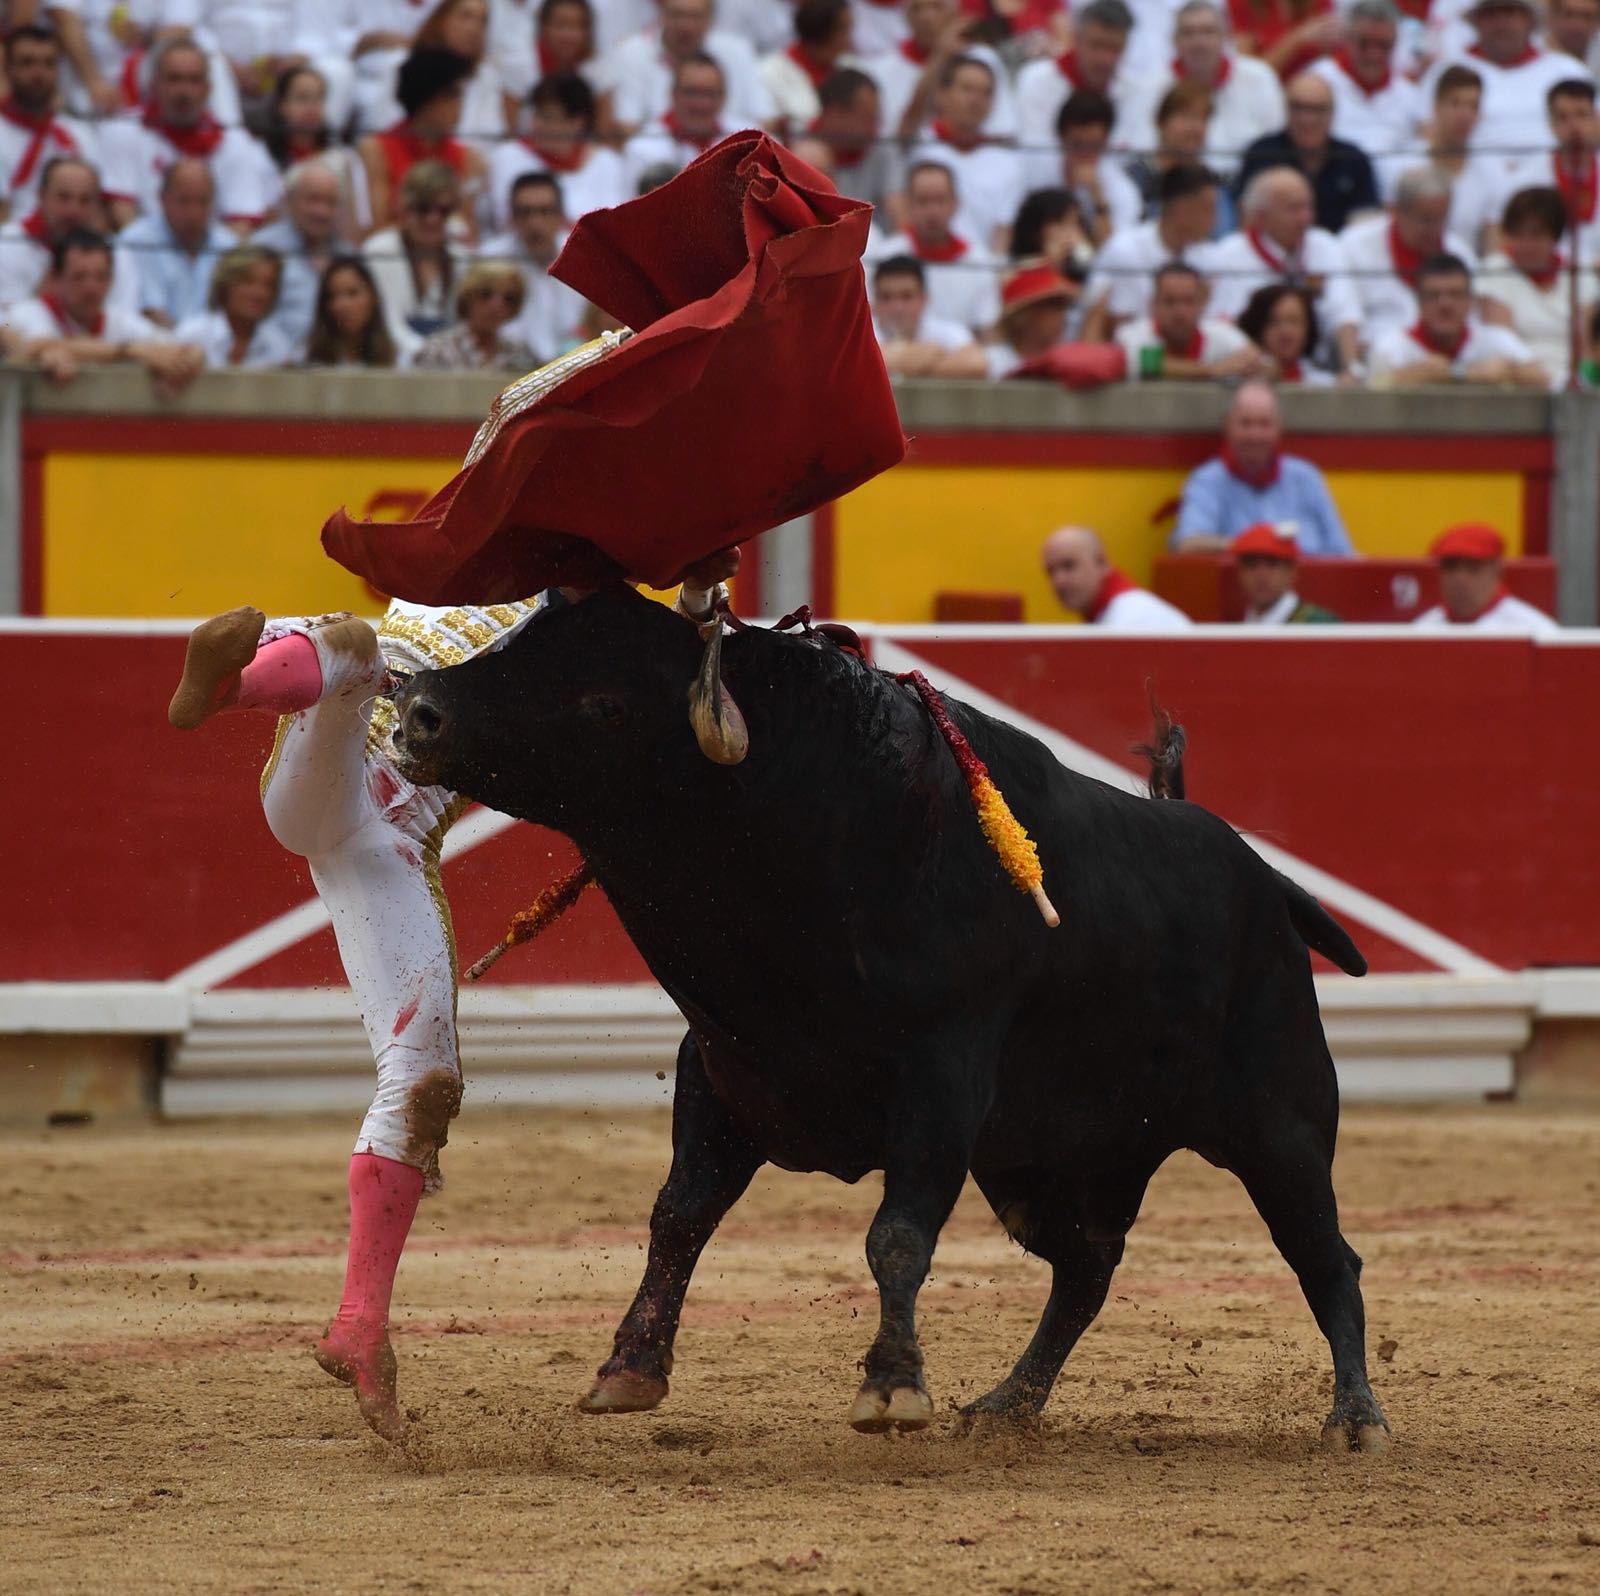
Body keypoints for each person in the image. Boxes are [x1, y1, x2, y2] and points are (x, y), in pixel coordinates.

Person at [162, 351, 740, 1443]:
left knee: (423, 1081)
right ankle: (238, 682)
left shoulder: (530, 595)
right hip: (354, 787)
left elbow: (688, 632)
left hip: (361, 831)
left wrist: (704, 582)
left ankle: (358, 1325)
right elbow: (521, 435)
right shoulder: (501, 580)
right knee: (359, 656)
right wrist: (627, 356)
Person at [98, 36, 281, 233]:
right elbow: (122, 212)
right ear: (154, 85)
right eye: (174, 79)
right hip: (142, 254)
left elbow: (241, 223)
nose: (184, 91)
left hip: (211, 256)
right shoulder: (124, 130)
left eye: (194, 80)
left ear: (208, 89)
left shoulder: (234, 143)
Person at [1, 226, 204, 395]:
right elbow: (38, 346)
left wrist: (190, 358)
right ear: (56, 278)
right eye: (79, 276)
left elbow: (183, 349)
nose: (91, 288)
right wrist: (131, 352)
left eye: (101, 277)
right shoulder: (28, 312)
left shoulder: (118, 320)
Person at [1202, 165, 1360, 372]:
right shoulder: (1228, 255)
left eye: (1309, 207)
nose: (1305, 218)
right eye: (1294, 209)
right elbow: (1220, 325)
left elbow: (1344, 313)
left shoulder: (1325, 245)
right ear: (1261, 216)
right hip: (1249, 370)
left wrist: (1352, 368)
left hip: (1314, 369)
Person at [1173, 378, 1352, 552]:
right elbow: (1189, 544)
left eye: (1264, 424)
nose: (1255, 436)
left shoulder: (1307, 478)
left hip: (1312, 583)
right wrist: (1256, 547)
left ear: (1279, 426)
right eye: (1246, 423)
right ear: (1227, 425)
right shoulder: (1208, 481)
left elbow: (1344, 555)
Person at [1122, 2, 1286, 177]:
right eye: (1188, 33)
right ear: (1174, 40)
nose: (1199, 42)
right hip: (1171, 187)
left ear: (1225, 37)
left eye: (1208, 32)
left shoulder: (1259, 78)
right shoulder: (1149, 87)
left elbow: (1279, 144)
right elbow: (1135, 149)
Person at [1422, 0, 1593, 165]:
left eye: (1510, 13)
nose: (1501, 23)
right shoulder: (1446, 69)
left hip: (1553, 183)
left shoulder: (1569, 71)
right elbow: (1426, 131)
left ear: (1530, 21)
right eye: (1492, 14)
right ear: (1476, 21)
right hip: (1470, 182)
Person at [1340, 166, 1477, 350]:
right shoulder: (1353, 246)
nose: (1435, 230)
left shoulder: (1461, 253)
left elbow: (1473, 322)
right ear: (1396, 210)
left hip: (1447, 363)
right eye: (1426, 219)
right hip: (1377, 364)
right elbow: (1345, 315)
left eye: (1442, 219)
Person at [358, 48, 487, 242]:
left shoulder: (469, 158)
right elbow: (378, 227)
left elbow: (468, 234)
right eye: (452, 95)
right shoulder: (376, 149)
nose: (460, 105)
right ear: (426, 97)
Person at [1080, 162, 1219, 337]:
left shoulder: (1208, 256)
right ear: (1182, 210)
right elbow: (1119, 332)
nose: (1216, 220)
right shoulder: (1125, 251)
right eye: (1209, 210)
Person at [1233, 68, 1379, 234]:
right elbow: (1247, 221)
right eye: (1298, 108)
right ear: (1285, 109)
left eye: (1317, 109)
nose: (1307, 119)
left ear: (1332, 113)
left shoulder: (1354, 159)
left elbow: (1367, 226)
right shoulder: (1261, 154)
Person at [1368, 250, 1546, 385]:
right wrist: (1462, 373)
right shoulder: (1393, 344)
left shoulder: (1495, 339)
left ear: (1470, 300)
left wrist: (1510, 372)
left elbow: (1541, 378)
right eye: (1433, 295)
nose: (1445, 305)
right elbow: (1374, 385)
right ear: (1419, 302)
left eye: (1455, 294)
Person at [1479, 185, 1598, 385]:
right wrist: (1541, 378)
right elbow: (1503, 342)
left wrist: (1575, 381)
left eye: (1537, 235)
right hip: (1520, 378)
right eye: (1518, 234)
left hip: (1573, 380)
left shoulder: (1579, 272)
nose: (1527, 244)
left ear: (1555, 236)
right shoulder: (1494, 270)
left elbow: (1586, 344)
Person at [600, 0, 774, 135]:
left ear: (710, 19)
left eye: (695, 16)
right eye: (678, 15)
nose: (686, 25)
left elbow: (766, 120)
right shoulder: (631, 52)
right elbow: (626, 126)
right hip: (657, 165)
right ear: (661, 15)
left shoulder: (739, 51)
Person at [1382, 65, 1504, 255]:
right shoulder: (1402, 165)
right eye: (1455, 103)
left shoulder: (1492, 171)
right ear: (1436, 107)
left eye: (1473, 106)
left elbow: (1493, 247)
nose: (1464, 115)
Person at [908, 55, 1024, 251]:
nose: (976, 99)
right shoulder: (914, 144)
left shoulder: (1007, 163)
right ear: (942, 94)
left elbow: (1002, 235)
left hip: (977, 271)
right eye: (967, 89)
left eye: (985, 93)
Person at [489, 70, 627, 233]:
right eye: (537, 115)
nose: (537, 125)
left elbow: (621, 223)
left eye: (548, 118)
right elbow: (505, 220)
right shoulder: (508, 156)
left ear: (577, 123)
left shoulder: (609, 163)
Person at [862, 0, 1016, 146]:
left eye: (937, 6)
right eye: (916, 9)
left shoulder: (983, 58)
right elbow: (898, 139)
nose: (926, 17)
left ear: (955, 14)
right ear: (907, 18)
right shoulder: (882, 70)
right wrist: (939, 56)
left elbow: (1001, 131)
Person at [872, 160, 999, 335]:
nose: (933, 210)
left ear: (956, 203)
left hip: (960, 356)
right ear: (908, 203)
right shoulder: (886, 254)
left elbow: (986, 331)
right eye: (923, 201)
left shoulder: (978, 260)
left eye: (940, 200)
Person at [0, 153, 138, 312]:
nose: (73, 211)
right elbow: (5, 323)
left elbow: (124, 317)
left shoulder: (117, 252)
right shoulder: (7, 243)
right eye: (63, 198)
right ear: (41, 196)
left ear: (98, 204)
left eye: (85, 200)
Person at [476, 170, 585, 362]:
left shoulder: (581, 257)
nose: (535, 223)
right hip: (508, 369)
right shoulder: (490, 260)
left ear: (560, 216)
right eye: (525, 213)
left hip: (572, 364)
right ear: (512, 217)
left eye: (544, 211)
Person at [114, 157, 235, 329]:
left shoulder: (227, 245)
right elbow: (151, 312)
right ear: (162, 199)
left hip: (217, 348)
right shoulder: (136, 242)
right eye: (184, 201)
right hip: (157, 346)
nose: (193, 213)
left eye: (202, 202)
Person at [362, 160, 471, 344]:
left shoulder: (461, 259)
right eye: (423, 209)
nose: (432, 219)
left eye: (443, 211)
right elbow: (388, 325)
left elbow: (463, 325)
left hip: (448, 364)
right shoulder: (379, 251)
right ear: (405, 208)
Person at [0, 25, 99, 223]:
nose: (39, 73)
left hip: (70, 244)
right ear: (8, 69)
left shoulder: (78, 133)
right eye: (27, 63)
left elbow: (94, 211)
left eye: (49, 63)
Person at [1307, 0, 1423, 163]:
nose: (1373, 55)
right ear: (1348, 39)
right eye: (1365, 43)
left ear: (1395, 42)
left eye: (1383, 45)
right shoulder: (1318, 81)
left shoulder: (1410, 95)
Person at [251, 157, 351, 346]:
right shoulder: (262, 249)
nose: (321, 211)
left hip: (333, 365)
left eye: (330, 202)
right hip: (272, 363)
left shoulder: (348, 257)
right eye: (313, 199)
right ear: (290, 200)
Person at [261, 65, 368, 238]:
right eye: (302, 98)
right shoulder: (260, 156)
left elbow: (354, 228)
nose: (312, 107)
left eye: (319, 99)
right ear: (281, 105)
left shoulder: (343, 160)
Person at [1014, 0, 1132, 155]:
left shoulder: (1131, 91)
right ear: (1076, 39)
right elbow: (1035, 156)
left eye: (1114, 49)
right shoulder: (1036, 81)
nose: (1104, 59)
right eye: (1097, 45)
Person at [1124, 81, 1239, 237]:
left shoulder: (1214, 182)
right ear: (1161, 123)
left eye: (1202, 119)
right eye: (1185, 117)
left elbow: (1224, 239)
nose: (1195, 128)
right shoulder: (1134, 178)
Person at [1114, 260, 1260, 379]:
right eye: (1169, 302)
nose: (1180, 312)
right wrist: (1214, 370)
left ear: (1202, 303)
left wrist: (1250, 364)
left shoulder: (1221, 333)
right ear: (1153, 304)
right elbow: (1143, 365)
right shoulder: (1131, 334)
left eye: (1188, 301)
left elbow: (1260, 363)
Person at [1035, 90, 1142, 245]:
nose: (1084, 155)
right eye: (1077, 145)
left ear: (1105, 142)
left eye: (1093, 146)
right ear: (1062, 137)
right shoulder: (1038, 173)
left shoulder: (1123, 191)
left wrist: (1097, 197)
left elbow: (1112, 253)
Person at [1412, 522, 1558, 632]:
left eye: (1473, 568)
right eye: (1450, 567)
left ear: (1497, 572)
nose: (1459, 579)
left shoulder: (1533, 630)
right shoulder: (1423, 629)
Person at [790, 68, 897, 215]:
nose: (875, 127)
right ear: (836, 114)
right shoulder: (793, 146)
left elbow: (898, 214)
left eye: (876, 118)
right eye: (867, 118)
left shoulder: (882, 151)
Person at [1042, 524, 1193, 628]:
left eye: (1069, 566)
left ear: (1101, 563)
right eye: (1051, 572)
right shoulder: (1117, 613)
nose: (1058, 581)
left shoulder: (1130, 619)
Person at [620, 52, 733, 190]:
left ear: (724, 96)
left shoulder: (742, 141)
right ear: (672, 93)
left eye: (710, 94)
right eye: (691, 92)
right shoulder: (642, 148)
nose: (700, 104)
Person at [174, 242, 299, 367]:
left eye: (269, 285)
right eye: (248, 282)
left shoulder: (278, 347)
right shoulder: (192, 335)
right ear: (226, 285)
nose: (259, 293)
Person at [870, 252, 987, 376]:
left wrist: (897, 361)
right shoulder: (865, 332)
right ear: (874, 301)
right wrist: (935, 353)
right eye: (886, 297)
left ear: (924, 299)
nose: (897, 307)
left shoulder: (947, 330)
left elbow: (977, 363)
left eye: (907, 296)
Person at [413, 258, 541, 369]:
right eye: (486, 294)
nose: (496, 305)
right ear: (467, 296)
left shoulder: (520, 353)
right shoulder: (438, 350)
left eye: (509, 298)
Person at [759, 0, 856, 138]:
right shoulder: (769, 72)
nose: (850, 39)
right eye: (843, 29)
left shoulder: (853, 67)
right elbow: (770, 128)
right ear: (821, 30)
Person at [304, 256, 416, 367]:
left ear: (373, 298)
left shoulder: (400, 359)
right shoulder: (306, 358)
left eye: (352, 293)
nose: (342, 305)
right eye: (332, 296)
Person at [1232, 521, 1339, 622]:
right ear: (1239, 573)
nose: (1261, 575)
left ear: (1291, 571)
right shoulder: (1235, 628)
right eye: (1251, 565)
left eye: (1271, 564)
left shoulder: (1319, 625)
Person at [986, 261, 1078, 377]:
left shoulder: (1069, 365)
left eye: (1065, 306)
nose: (1064, 315)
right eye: (1054, 305)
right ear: (1024, 314)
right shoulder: (990, 364)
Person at [1237, 281, 1331, 382]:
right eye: (1273, 322)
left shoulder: (1323, 383)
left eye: (1294, 321)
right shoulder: (1234, 378)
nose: (1286, 331)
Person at [1228, 0, 1340, 82]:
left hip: (1308, 94)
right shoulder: (1241, 3)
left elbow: (1329, 64)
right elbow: (1249, 75)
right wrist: (1298, 38)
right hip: (1265, 92)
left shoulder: (1318, 3)